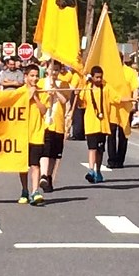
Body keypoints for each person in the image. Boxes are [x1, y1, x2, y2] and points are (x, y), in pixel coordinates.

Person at [79, 65, 118, 184]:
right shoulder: (87, 88)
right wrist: (80, 87)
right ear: (92, 77)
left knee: (100, 150)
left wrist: (131, 100)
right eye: (97, 77)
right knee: (92, 148)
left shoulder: (106, 88)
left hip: (103, 124)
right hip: (91, 123)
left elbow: (117, 98)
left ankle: (98, 171)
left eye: (100, 77)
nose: (99, 80)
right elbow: (80, 101)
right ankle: (91, 170)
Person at [38, 58, 71, 192]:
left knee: (53, 154)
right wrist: (47, 93)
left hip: (58, 123)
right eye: (52, 69)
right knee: (44, 150)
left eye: (57, 70)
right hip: (45, 122)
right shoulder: (40, 83)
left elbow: (64, 100)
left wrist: (56, 89)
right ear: (47, 69)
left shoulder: (64, 84)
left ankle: (49, 177)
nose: (54, 72)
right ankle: (43, 175)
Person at [17, 63, 48, 205]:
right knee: (23, 166)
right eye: (32, 76)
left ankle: (35, 191)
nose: (35, 78)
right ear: (26, 77)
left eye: (37, 76)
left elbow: (43, 110)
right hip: (22, 133)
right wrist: (28, 95)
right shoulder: (20, 92)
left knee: (35, 164)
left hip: (37, 132)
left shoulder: (42, 92)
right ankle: (25, 190)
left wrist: (35, 96)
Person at [106, 53, 139, 168]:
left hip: (126, 108)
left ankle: (120, 160)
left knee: (123, 135)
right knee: (111, 134)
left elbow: (135, 88)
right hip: (112, 107)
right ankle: (112, 159)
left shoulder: (130, 72)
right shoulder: (108, 72)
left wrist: (134, 103)